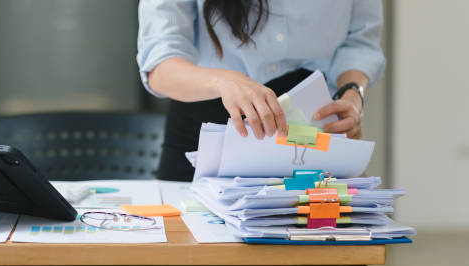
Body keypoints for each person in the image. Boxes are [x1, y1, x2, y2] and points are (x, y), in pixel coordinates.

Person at [137, 0, 385, 181]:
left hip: (312, 127)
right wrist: (223, 82)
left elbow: (360, 43)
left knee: (334, 243)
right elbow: (160, 65)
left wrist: (353, 93)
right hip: (208, 121)